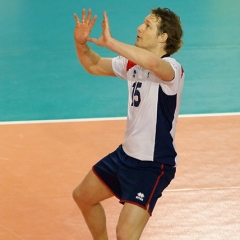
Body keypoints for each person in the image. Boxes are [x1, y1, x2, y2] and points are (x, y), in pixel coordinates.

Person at [72, 7, 184, 240]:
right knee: (83, 196)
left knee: (125, 234)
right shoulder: (132, 64)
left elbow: (154, 64)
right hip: (125, 156)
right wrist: (82, 44)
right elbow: (93, 65)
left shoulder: (172, 68)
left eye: (148, 25)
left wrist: (110, 42)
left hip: (152, 165)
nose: (139, 28)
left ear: (163, 37)